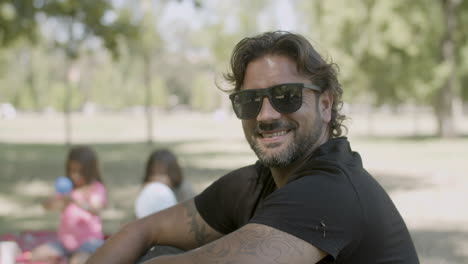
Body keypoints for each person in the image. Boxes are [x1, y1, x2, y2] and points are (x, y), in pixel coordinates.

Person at [87, 31, 419, 263]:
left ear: (326, 104)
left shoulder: (332, 191)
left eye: (285, 95)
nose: (265, 115)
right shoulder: (252, 184)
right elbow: (141, 230)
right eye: (249, 101)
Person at [28, 146, 107, 264]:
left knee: (77, 261)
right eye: (72, 171)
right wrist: (53, 203)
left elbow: (95, 210)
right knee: (35, 256)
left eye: (80, 172)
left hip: (89, 242)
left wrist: (76, 201)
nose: (75, 175)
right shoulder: (67, 188)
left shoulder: (95, 188)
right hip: (65, 243)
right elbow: (50, 207)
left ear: (90, 171)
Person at [135, 149, 195, 218]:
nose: (157, 178)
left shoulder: (184, 188)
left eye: (162, 173)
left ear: (173, 173)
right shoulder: (148, 190)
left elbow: (192, 215)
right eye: (153, 173)